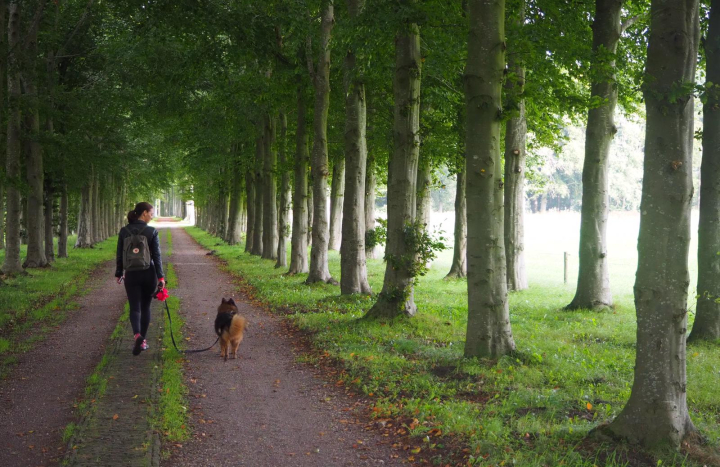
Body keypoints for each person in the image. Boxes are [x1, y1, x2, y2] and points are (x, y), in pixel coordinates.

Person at [115, 202, 165, 355]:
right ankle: (143, 341)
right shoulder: (151, 231)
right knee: (145, 307)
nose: (152, 216)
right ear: (144, 213)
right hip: (148, 272)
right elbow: (157, 256)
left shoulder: (124, 231)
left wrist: (119, 272)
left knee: (134, 307)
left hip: (131, 274)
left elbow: (119, 254)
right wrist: (160, 277)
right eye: (151, 213)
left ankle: (136, 335)